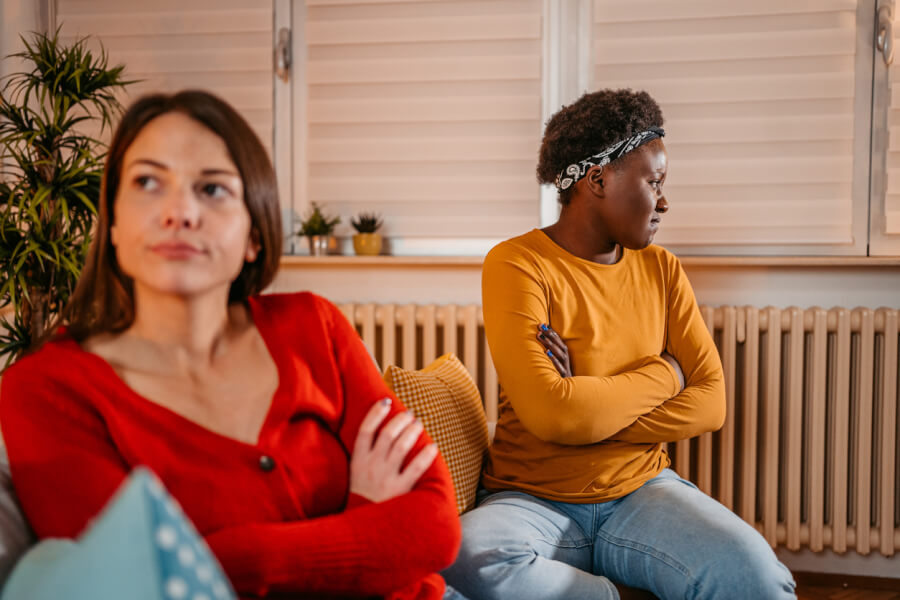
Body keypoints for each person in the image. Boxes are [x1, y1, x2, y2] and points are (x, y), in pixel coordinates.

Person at [0, 90, 462, 599]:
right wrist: (364, 518)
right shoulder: (45, 390)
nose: (179, 212)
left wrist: (237, 557)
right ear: (112, 224)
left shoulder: (317, 326)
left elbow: (436, 525)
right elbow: (140, 585)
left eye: (213, 189)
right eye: (148, 182)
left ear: (253, 236)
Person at [442, 89, 796, 599]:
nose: (665, 201)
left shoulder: (663, 269)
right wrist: (668, 374)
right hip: (531, 500)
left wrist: (586, 403)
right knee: (461, 560)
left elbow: (712, 402)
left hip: (641, 491)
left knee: (753, 573)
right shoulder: (516, 264)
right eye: (654, 182)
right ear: (599, 179)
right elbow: (553, 417)